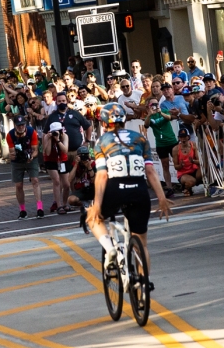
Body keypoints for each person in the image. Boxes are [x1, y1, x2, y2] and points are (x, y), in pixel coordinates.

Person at [86, 103, 173, 279]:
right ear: (124, 120)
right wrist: (161, 198)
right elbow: (150, 172)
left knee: (92, 218)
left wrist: (96, 205)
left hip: (116, 188)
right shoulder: (140, 138)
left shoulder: (102, 141)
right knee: (142, 244)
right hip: (139, 190)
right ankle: (144, 285)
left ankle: (110, 250)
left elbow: (102, 176)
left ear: (104, 123)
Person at [6, 115, 44, 219]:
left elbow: (35, 149)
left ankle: (40, 208)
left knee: (35, 180)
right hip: (17, 161)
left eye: (22, 125)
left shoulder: (32, 132)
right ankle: (22, 210)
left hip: (30, 158)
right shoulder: (10, 135)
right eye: (18, 125)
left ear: (25, 124)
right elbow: (12, 152)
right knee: (18, 185)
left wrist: (31, 156)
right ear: (15, 126)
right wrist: (13, 155)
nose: (21, 127)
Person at [144, 97, 177, 198]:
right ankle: (169, 187)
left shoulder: (164, 110)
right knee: (165, 165)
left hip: (172, 141)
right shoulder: (150, 116)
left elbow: (169, 118)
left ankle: (182, 181)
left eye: (156, 103)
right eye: (152, 105)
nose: (155, 106)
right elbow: (146, 125)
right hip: (161, 144)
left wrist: (160, 112)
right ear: (149, 107)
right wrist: (150, 114)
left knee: (177, 163)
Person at [46, 92, 92, 157]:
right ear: (56, 102)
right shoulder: (52, 116)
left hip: (77, 151)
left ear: (67, 101)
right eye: (59, 101)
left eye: (63, 101)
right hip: (60, 153)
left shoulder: (75, 113)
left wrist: (87, 141)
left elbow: (88, 126)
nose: (61, 103)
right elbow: (45, 133)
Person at [43, 121, 71, 214]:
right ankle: (59, 206)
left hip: (62, 160)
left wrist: (58, 140)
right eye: (54, 132)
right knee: (57, 181)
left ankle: (64, 203)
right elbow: (47, 152)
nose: (56, 133)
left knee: (66, 184)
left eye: (58, 131)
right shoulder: (47, 137)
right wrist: (50, 139)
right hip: (51, 160)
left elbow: (65, 150)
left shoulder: (64, 136)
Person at [68, 145, 97, 232]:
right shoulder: (75, 164)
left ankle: (91, 206)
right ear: (78, 156)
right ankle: (85, 205)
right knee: (71, 200)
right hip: (82, 189)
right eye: (81, 155)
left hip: (92, 188)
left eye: (85, 155)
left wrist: (89, 167)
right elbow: (69, 180)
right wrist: (76, 165)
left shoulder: (93, 163)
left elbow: (95, 181)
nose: (84, 157)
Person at [172, 128, 200, 196]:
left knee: (205, 169)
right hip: (183, 174)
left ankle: (209, 185)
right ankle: (186, 187)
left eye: (185, 137)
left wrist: (193, 161)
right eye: (181, 137)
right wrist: (181, 166)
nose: (183, 139)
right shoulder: (175, 149)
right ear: (179, 138)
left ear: (188, 137)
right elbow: (176, 167)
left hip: (194, 170)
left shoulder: (194, 145)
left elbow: (200, 161)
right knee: (191, 181)